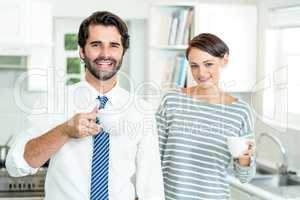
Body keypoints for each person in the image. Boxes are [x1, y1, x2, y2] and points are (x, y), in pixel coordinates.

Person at [6, 11, 164, 200]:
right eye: (96, 45)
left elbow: (151, 185)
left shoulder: (141, 110)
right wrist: (64, 131)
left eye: (113, 46)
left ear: (123, 51)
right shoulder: (53, 101)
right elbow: (16, 165)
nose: (105, 54)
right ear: (82, 51)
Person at [156, 33, 255, 200]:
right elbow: (153, 156)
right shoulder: (171, 100)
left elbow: (245, 177)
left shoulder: (240, 112)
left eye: (208, 64)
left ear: (224, 60)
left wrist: (245, 158)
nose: (201, 73)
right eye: (194, 66)